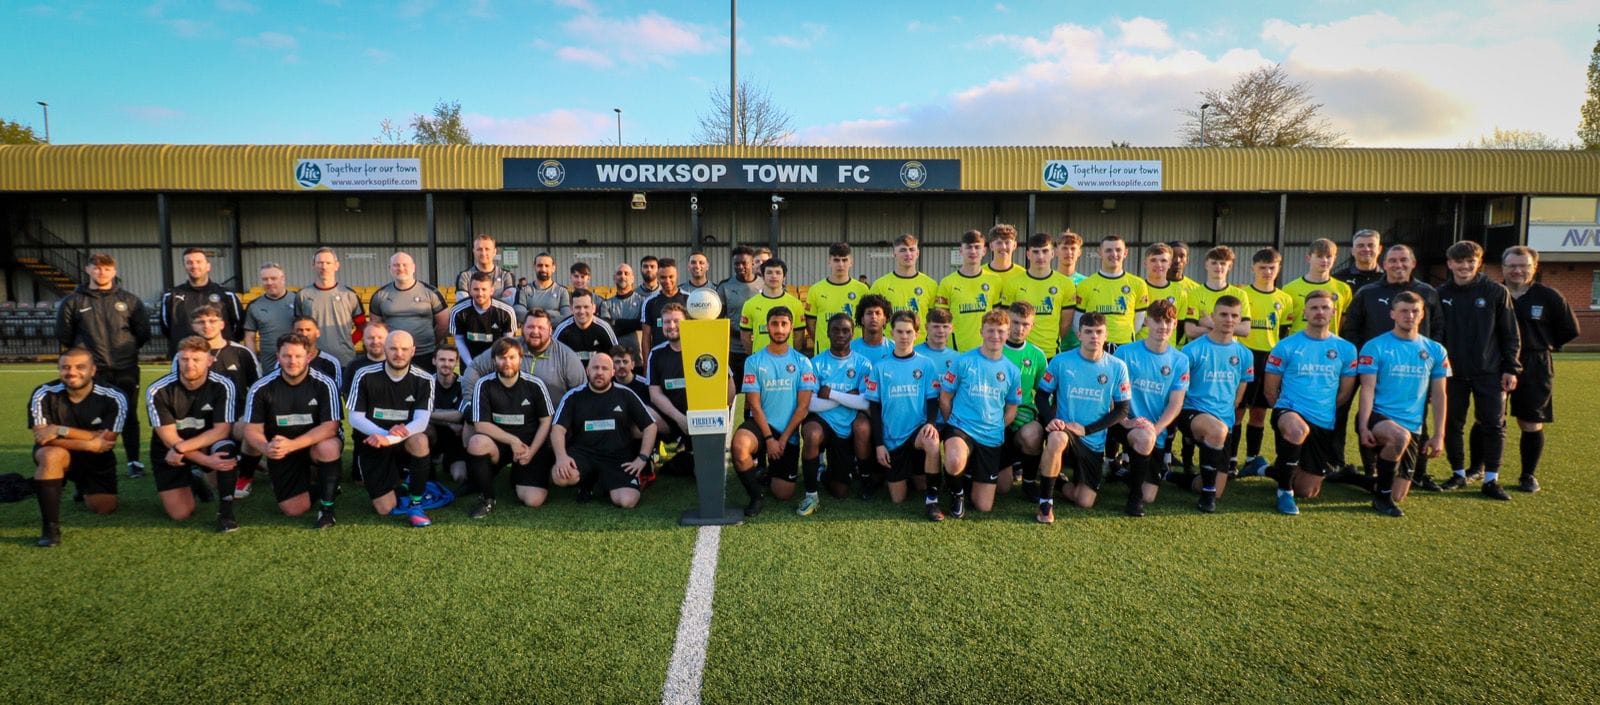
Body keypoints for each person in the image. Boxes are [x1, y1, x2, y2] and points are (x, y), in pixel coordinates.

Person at [1341, 244, 1445, 490]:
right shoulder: (1368, 292)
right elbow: (1351, 328)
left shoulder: (1428, 292)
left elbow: (1438, 327)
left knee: (1416, 413)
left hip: (1415, 366)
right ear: (1384, 263)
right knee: (1364, 411)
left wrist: (1430, 364)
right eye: (1393, 261)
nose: (1398, 265)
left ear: (1413, 263)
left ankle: (1417, 473)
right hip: (1372, 365)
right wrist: (1361, 360)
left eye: (1403, 260)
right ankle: (1370, 471)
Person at [1251, 289, 1358, 516]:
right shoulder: (1286, 345)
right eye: (1314, 308)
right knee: (1297, 429)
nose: (1319, 312)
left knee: (1307, 490)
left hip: (1322, 421)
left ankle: (1262, 468)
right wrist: (1284, 409)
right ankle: (1284, 494)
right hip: (1290, 412)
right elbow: (1271, 390)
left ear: (1333, 312)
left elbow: (1344, 394)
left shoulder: (1346, 349)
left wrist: (1321, 409)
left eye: (1324, 308)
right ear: (1305, 313)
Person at [1435, 240, 1521, 499]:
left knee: (1493, 424)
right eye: (1459, 261)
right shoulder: (1441, 293)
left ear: (1479, 262)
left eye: (1470, 261)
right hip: (1453, 374)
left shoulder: (1495, 291)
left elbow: (1510, 334)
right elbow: (1436, 334)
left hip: (1490, 372)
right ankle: (1458, 474)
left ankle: (1491, 479)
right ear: (1450, 264)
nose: (1464, 266)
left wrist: (1511, 368)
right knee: (1453, 424)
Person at [55, 252, 150, 479]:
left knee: (128, 414)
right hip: (92, 370)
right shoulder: (73, 301)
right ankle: (90, 460)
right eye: (96, 268)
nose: (101, 272)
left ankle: (134, 461)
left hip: (125, 368)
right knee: (90, 416)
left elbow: (143, 332)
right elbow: (64, 335)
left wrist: (125, 349)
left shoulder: (129, 300)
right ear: (88, 270)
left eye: (106, 268)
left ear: (114, 272)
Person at [1357, 292, 1449, 518]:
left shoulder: (1435, 350)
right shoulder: (1375, 346)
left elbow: (1439, 395)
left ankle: (1357, 477)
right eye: (1404, 311)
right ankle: (1381, 500)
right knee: (1399, 437)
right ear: (1393, 314)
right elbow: (1367, 389)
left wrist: (1439, 434)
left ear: (1422, 314)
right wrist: (1363, 426)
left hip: (1413, 426)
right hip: (1379, 418)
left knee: (1399, 493)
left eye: (1415, 311)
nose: (1409, 315)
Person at [1035, 312, 1131, 523]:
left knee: (1084, 501)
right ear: (1079, 334)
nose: (1094, 337)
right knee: (1056, 438)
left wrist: (1087, 429)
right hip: (1066, 433)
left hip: (1093, 440)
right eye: (1088, 332)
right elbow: (1042, 396)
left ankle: (1057, 481)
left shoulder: (1117, 367)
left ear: (1106, 335)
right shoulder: (1061, 361)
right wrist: (1052, 419)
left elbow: (1122, 409)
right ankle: (1045, 503)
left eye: (1099, 332)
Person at [29, 348, 129, 547]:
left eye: (80, 367)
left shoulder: (114, 396)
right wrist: (87, 442)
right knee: (52, 455)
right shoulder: (44, 393)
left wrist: (59, 429)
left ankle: (83, 486)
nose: (72, 372)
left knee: (104, 507)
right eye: (65, 367)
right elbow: (42, 437)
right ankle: (50, 528)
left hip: (97, 458)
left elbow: (106, 440)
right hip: (62, 451)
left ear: (93, 370)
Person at [242, 333, 344, 527]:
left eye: (298, 356)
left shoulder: (324, 384)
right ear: (278, 356)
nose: (292, 361)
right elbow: (251, 429)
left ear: (308, 357)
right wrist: (266, 448)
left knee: (328, 447)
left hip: (313, 443)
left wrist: (293, 444)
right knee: (293, 509)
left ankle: (327, 509)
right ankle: (324, 486)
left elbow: (330, 427)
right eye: (287, 356)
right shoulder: (261, 387)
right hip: (282, 447)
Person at [1502, 246, 1578, 492]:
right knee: (1490, 419)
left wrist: (1544, 345)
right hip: (1497, 363)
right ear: (1503, 267)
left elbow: (1569, 329)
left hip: (1535, 364)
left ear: (1534, 267)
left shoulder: (1549, 296)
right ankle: (1479, 470)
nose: (1517, 270)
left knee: (1531, 421)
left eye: (1523, 265)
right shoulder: (1494, 292)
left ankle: (1527, 475)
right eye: (1512, 265)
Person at [1169, 295, 1253, 513]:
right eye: (1223, 314)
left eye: (1234, 315)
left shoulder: (1244, 354)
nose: (1229, 319)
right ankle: (1207, 497)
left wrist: (1228, 411)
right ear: (1213, 317)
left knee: (1219, 489)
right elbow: (1179, 389)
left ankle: (1180, 479)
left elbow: (1241, 388)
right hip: (1193, 412)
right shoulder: (1192, 350)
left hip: (1224, 419)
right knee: (1216, 431)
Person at [731, 307, 816, 518]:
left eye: (784, 324)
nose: (779, 329)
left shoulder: (803, 362)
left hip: (788, 431)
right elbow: (754, 404)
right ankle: (756, 496)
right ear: (767, 327)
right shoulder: (753, 361)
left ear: (791, 328)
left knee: (783, 494)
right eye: (775, 324)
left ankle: (767, 473)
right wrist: (769, 438)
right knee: (739, 446)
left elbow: (803, 407)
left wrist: (784, 438)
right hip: (762, 426)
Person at [146, 336, 239, 530]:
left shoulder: (223, 385)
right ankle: (195, 479)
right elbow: (168, 438)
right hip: (169, 449)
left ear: (209, 360)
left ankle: (226, 513)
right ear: (177, 359)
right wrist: (204, 461)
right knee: (180, 514)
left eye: (196, 359)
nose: (190, 365)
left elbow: (221, 430)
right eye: (184, 359)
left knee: (225, 448)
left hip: (201, 444)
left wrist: (182, 448)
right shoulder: (158, 390)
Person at [346, 330, 436, 527]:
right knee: (385, 509)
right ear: (385, 349)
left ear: (413, 351)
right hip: (373, 443)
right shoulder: (364, 375)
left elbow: (421, 422)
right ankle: (401, 482)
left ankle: (416, 502)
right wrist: (383, 435)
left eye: (404, 349)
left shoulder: (425, 379)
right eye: (393, 348)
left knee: (420, 440)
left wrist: (390, 438)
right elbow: (354, 418)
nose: (399, 353)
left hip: (402, 441)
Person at [936, 309, 1021, 520]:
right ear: (981, 331)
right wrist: (951, 425)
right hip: (961, 427)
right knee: (955, 458)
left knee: (984, 506)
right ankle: (957, 494)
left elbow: (1012, 407)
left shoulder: (1012, 370)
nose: (995, 336)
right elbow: (945, 398)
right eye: (990, 330)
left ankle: (966, 477)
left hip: (991, 435)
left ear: (1008, 333)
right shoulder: (963, 361)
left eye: (1000, 331)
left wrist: (998, 426)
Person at [1112, 299, 1189, 517]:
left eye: (1168, 321)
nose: (1162, 326)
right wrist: (1124, 421)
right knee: (1141, 494)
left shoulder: (1180, 360)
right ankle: (1133, 498)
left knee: (1150, 495)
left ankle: (1131, 473)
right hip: (1121, 423)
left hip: (1153, 430)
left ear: (1175, 325)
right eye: (1157, 320)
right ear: (1146, 322)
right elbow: (1110, 394)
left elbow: (1176, 403)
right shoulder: (1125, 353)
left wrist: (1155, 429)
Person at [551, 352, 657, 509]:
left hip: (617, 457)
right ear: (587, 370)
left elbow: (650, 426)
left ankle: (598, 484)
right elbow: (557, 429)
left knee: (627, 501)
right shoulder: (573, 396)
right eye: (595, 368)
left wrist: (641, 458)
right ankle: (590, 480)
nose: (599, 372)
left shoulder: (625, 394)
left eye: (605, 368)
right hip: (584, 454)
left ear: (612, 372)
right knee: (560, 477)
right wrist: (561, 457)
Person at [464, 337, 555, 515]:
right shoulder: (484, 385)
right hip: (499, 445)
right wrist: (512, 440)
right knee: (477, 442)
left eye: (512, 357)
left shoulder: (535, 385)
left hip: (528, 446)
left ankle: (518, 476)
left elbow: (546, 421)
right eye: (502, 358)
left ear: (520, 359)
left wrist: (532, 451)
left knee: (534, 500)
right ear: (494, 360)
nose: (507, 363)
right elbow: (481, 425)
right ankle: (488, 498)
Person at [647, 304, 736, 478]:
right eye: (667, 322)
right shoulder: (656, 354)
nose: (671, 326)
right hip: (673, 418)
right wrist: (680, 418)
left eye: (676, 321)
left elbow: (729, 383)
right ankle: (646, 461)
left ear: (687, 323)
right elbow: (655, 394)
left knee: (704, 475)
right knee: (641, 420)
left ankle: (696, 452)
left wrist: (722, 411)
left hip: (704, 419)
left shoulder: (704, 347)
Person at [864, 311, 942, 506]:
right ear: (891, 333)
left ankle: (932, 500)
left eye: (908, 332)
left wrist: (931, 423)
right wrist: (879, 444)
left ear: (916, 333)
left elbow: (933, 399)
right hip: (892, 439)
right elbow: (874, 408)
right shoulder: (880, 367)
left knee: (932, 443)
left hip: (916, 433)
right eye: (899, 332)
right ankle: (894, 473)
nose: (904, 336)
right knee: (898, 499)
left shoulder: (926, 364)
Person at [800, 313, 875, 515]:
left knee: (840, 491)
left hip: (846, 426)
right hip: (822, 422)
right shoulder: (815, 363)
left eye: (845, 330)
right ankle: (810, 494)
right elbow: (811, 404)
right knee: (812, 433)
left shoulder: (864, 364)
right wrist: (846, 398)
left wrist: (831, 393)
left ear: (852, 333)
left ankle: (828, 473)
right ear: (827, 333)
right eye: (836, 329)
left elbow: (865, 401)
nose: (840, 334)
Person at [1236, 248, 1295, 475]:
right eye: (1262, 267)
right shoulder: (1242, 294)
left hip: (1270, 359)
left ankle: (1251, 458)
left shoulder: (1284, 299)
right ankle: (1232, 460)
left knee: (1260, 412)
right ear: (1253, 268)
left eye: (1272, 267)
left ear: (1278, 268)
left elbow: (1283, 334)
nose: (1268, 272)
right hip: (1245, 355)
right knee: (1238, 409)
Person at [462, 309, 586, 416]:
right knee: (472, 427)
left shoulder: (567, 357)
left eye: (541, 328)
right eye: (530, 327)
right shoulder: (507, 348)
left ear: (550, 330)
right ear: (521, 328)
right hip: (507, 419)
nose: (535, 332)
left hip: (549, 423)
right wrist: (470, 400)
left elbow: (581, 393)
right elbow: (474, 368)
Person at [1000, 301, 1048, 501]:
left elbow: (1045, 392)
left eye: (1025, 324)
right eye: (1015, 322)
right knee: (1003, 488)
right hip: (996, 419)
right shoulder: (993, 349)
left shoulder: (1037, 355)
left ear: (1032, 326)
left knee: (1033, 434)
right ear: (1006, 321)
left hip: (1022, 419)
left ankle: (1029, 482)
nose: (1019, 329)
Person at [1000, 233, 1077, 358]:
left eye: (1045, 251)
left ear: (1052, 253)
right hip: (1018, 352)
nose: (1040, 256)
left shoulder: (1066, 284)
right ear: (1028, 254)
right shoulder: (1012, 283)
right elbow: (1005, 319)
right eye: (1035, 252)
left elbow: (1065, 324)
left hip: (1050, 352)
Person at [369, 252, 448, 372]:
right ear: (390, 269)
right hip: (394, 356)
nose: (401, 268)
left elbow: (444, 324)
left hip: (425, 355)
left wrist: (429, 341)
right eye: (396, 265)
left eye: (405, 265)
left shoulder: (431, 293)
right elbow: (376, 328)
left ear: (413, 267)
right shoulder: (380, 295)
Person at [159, 247, 244, 357]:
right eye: (189, 263)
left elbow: (238, 327)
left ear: (208, 266)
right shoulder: (171, 296)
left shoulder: (226, 295)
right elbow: (166, 328)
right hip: (186, 357)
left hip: (221, 356)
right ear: (185, 267)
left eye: (199, 262)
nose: (194, 266)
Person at [1072, 235, 1149, 348]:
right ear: (1100, 253)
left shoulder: (1138, 284)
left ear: (1125, 253)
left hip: (1125, 346)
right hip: (1095, 347)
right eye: (1108, 250)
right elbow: (1077, 322)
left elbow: (1138, 321)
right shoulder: (1085, 285)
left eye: (1118, 250)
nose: (1114, 254)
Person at [296, 246, 366, 366]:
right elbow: (297, 330)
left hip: (344, 360)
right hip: (312, 361)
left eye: (328, 263)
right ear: (313, 265)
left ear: (336, 266)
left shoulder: (349, 295)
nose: (324, 266)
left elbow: (362, 326)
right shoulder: (303, 295)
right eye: (320, 263)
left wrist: (348, 343)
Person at [938, 229, 1004, 351]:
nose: (973, 251)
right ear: (961, 251)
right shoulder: (947, 283)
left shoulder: (995, 281)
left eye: (977, 247)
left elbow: (997, 317)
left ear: (984, 251)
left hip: (986, 349)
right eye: (968, 247)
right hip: (956, 349)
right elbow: (940, 320)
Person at [868, 234, 939, 344]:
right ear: (894, 254)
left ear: (918, 253)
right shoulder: (880, 285)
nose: (908, 254)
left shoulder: (931, 285)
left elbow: (934, 321)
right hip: (890, 349)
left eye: (911, 249)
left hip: (921, 348)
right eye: (903, 250)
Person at [1181, 246, 1252, 343]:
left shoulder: (1240, 294)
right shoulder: (1194, 294)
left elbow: (1245, 330)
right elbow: (1190, 331)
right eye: (1214, 263)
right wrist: (1228, 328)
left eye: (1223, 263)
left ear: (1230, 266)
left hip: (1228, 348)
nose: (1218, 267)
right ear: (1206, 265)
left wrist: (1211, 324)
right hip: (1202, 348)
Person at [806, 242, 870, 348]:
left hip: (854, 352)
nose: (840, 264)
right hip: (824, 352)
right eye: (836, 260)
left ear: (851, 262)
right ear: (829, 262)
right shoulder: (815, 289)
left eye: (844, 260)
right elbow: (811, 324)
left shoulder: (862, 289)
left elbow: (866, 324)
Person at [1284, 239, 1353, 336]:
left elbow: (1343, 320)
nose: (1324, 260)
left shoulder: (1343, 289)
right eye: (1319, 256)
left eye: (1329, 256)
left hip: (1328, 346)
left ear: (1335, 258)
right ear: (1308, 258)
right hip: (1298, 346)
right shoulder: (1289, 289)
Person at [450, 270, 519, 363]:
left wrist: (497, 362)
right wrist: (471, 364)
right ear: (470, 290)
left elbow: (508, 342)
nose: (480, 294)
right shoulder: (458, 311)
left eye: (484, 289)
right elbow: (459, 340)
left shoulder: (506, 311)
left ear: (491, 291)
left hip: (497, 363)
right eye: (476, 289)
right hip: (469, 363)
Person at [242, 261, 300, 372]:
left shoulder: (298, 300)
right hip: (269, 365)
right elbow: (249, 337)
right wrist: (254, 362)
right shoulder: (254, 306)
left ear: (283, 279)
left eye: (273, 278)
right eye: (265, 279)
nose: (269, 282)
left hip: (295, 361)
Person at [741, 258, 806, 355]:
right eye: (769, 272)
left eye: (778, 272)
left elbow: (799, 336)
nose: (774, 276)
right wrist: (755, 356)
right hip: (760, 362)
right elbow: (745, 336)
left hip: (787, 361)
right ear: (763, 276)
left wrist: (791, 355)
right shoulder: (750, 304)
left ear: (784, 277)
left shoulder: (795, 304)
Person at [716, 246, 762, 377]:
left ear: (752, 263)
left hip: (760, 347)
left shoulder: (764, 285)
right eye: (737, 263)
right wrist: (740, 333)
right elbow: (719, 319)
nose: (740, 267)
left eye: (744, 263)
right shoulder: (725, 286)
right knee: (736, 390)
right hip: (734, 349)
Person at [428, 347, 468, 488]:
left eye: (451, 360)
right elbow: (418, 414)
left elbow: (459, 415)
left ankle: (446, 459)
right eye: (442, 359)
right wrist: (449, 423)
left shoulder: (464, 384)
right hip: (433, 436)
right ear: (434, 361)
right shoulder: (426, 383)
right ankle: (433, 456)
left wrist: (430, 414)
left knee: (460, 477)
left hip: (455, 438)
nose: (446, 363)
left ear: (456, 362)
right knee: (424, 427)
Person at [554, 288, 620, 364]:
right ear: (571, 309)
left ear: (593, 308)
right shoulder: (562, 329)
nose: (582, 311)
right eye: (578, 307)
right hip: (571, 374)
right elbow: (552, 357)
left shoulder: (604, 328)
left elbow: (617, 357)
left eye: (586, 307)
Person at [454, 233, 519, 306]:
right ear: (474, 252)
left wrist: (477, 300)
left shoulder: (506, 275)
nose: (483, 253)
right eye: (479, 249)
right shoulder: (464, 276)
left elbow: (509, 303)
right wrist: (498, 299)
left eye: (487, 249)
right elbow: (463, 303)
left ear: (494, 252)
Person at [640, 258, 688, 354]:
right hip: (660, 356)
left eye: (671, 277)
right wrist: (646, 364)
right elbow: (646, 337)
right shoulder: (650, 302)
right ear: (657, 276)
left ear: (677, 275)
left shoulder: (689, 299)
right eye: (663, 277)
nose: (667, 280)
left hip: (685, 355)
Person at [603, 262, 648, 355]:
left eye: (626, 273)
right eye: (619, 273)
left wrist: (617, 322)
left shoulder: (643, 302)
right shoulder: (606, 304)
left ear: (632, 278)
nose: (622, 276)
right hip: (615, 358)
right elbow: (608, 328)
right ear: (614, 278)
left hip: (638, 358)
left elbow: (643, 325)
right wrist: (635, 323)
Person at [517, 252, 573, 324]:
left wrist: (532, 313)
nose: (543, 269)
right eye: (540, 265)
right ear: (534, 267)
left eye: (547, 266)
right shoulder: (523, 290)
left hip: (555, 334)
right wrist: (554, 314)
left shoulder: (562, 291)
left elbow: (566, 318)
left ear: (553, 268)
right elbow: (519, 314)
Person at [342, 320, 389, 400]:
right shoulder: (353, 366)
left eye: (380, 337)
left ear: (388, 339)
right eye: (370, 338)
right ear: (363, 340)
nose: (375, 341)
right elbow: (348, 396)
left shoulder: (396, 365)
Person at [1335, 228, 1386, 294]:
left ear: (1379, 249)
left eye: (1371, 245)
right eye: (1360, 246)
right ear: (1352, 251)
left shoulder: (1388, 278)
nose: (1366, 249)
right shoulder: (1338, 279)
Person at [849, 294, 894, 365]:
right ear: (862, 319)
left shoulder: (894, 348)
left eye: (878, 313)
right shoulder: (850, 349)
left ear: (885, 319)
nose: (873, 317)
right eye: (869, 313)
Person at [984, 224, 1024, 288]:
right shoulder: (980, 273)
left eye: (1007, 242)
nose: (1003, 247)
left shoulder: (1022, 274)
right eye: (999, 243)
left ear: (1014, 245)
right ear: (991, 246)